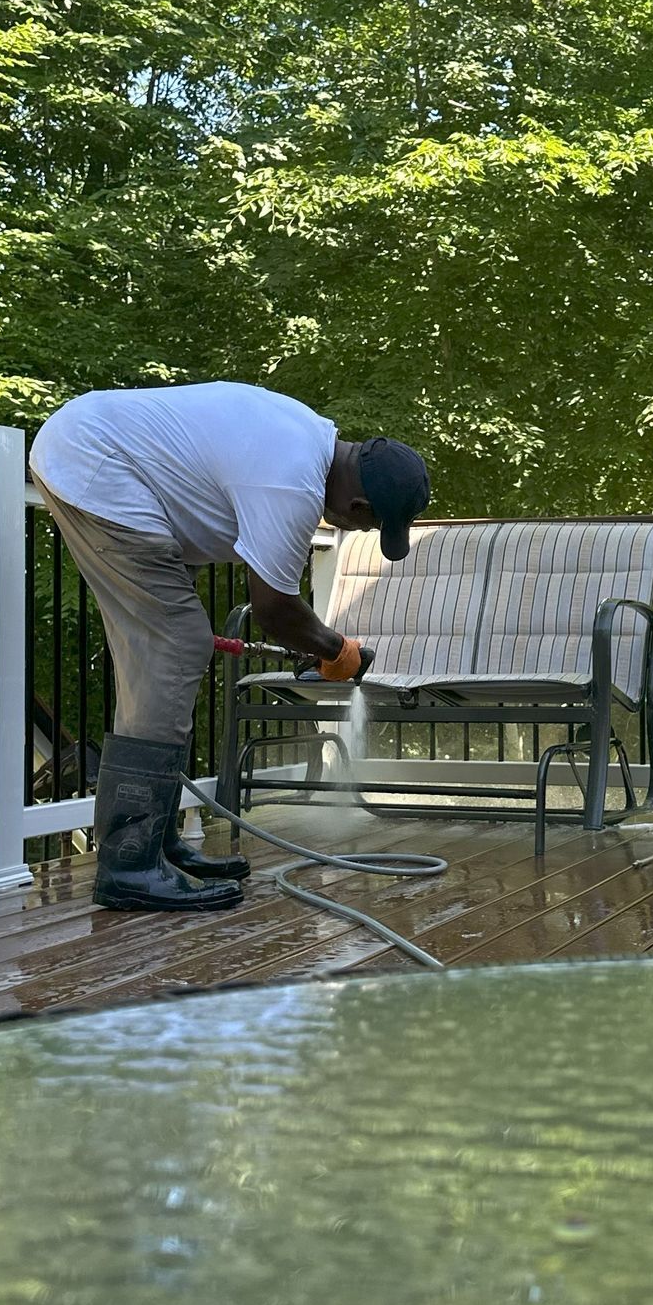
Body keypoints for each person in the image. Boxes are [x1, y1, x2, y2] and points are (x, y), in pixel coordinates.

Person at [29, 382, 429, 916]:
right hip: (95, 466)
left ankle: (156, 846)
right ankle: (129, 866)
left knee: (160, 661)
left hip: (98, 453)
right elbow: (274, 609)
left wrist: (319, 644)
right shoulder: (292, 484)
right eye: (370, 524)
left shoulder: (308, 437)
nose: (358, 529)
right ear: (356, 505)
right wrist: (337, 649)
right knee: (176, 643)